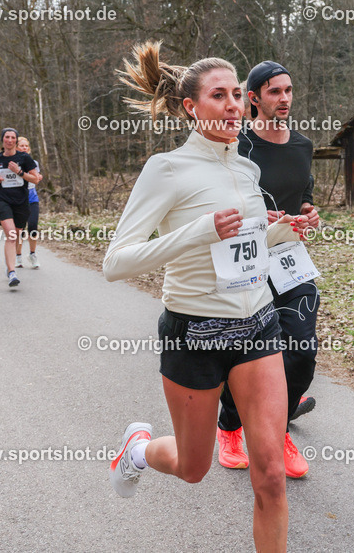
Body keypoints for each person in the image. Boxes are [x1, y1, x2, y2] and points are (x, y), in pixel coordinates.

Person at [103, 41, 309, 553]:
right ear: (192, 108)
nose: (234, 105)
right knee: (193, 468)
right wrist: (198, 232)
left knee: (270, 477)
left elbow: (246, 245)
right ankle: (139, 449)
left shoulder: (246, 170)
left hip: (258, 327)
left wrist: (287, 232)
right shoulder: (166, 170)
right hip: (194, 333)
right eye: (220, 95)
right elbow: (117, 262)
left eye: (238, 94)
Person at [215, 62, 322, 479]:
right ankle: (229, 427)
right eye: (275, 92)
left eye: (289, 90)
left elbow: (305, 197)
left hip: (290, 259)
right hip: (245, 259)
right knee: (244, 355)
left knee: (302, 351)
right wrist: (258, 216)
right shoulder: (236, 144)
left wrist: (309, 215)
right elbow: (220, 199)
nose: (285, 99)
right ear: (254, 98)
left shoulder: (302, 145)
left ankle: (278, 430)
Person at [0, 128, 39, 288]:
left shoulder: (24, 157)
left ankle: (12, 268)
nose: (9, 140)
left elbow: (35, 179)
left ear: (16, 141)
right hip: (2, 200)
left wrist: (20, 172)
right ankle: (11, 272)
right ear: (2, 140)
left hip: (21, 202)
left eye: (12, 137)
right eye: (7, 137)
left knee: (16, 236)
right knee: (10, 235)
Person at [14, 137, 42, 269]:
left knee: (33, 227)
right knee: (19, 230)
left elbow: (37, 176)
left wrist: (39, 177)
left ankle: (32, 254)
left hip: (32, 199)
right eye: (21, 146)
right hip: (18, 200)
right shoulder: (13, 162)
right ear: (16, 147)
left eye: (26, 146)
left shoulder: (34, 162)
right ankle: (18, 256)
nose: (24, 148)